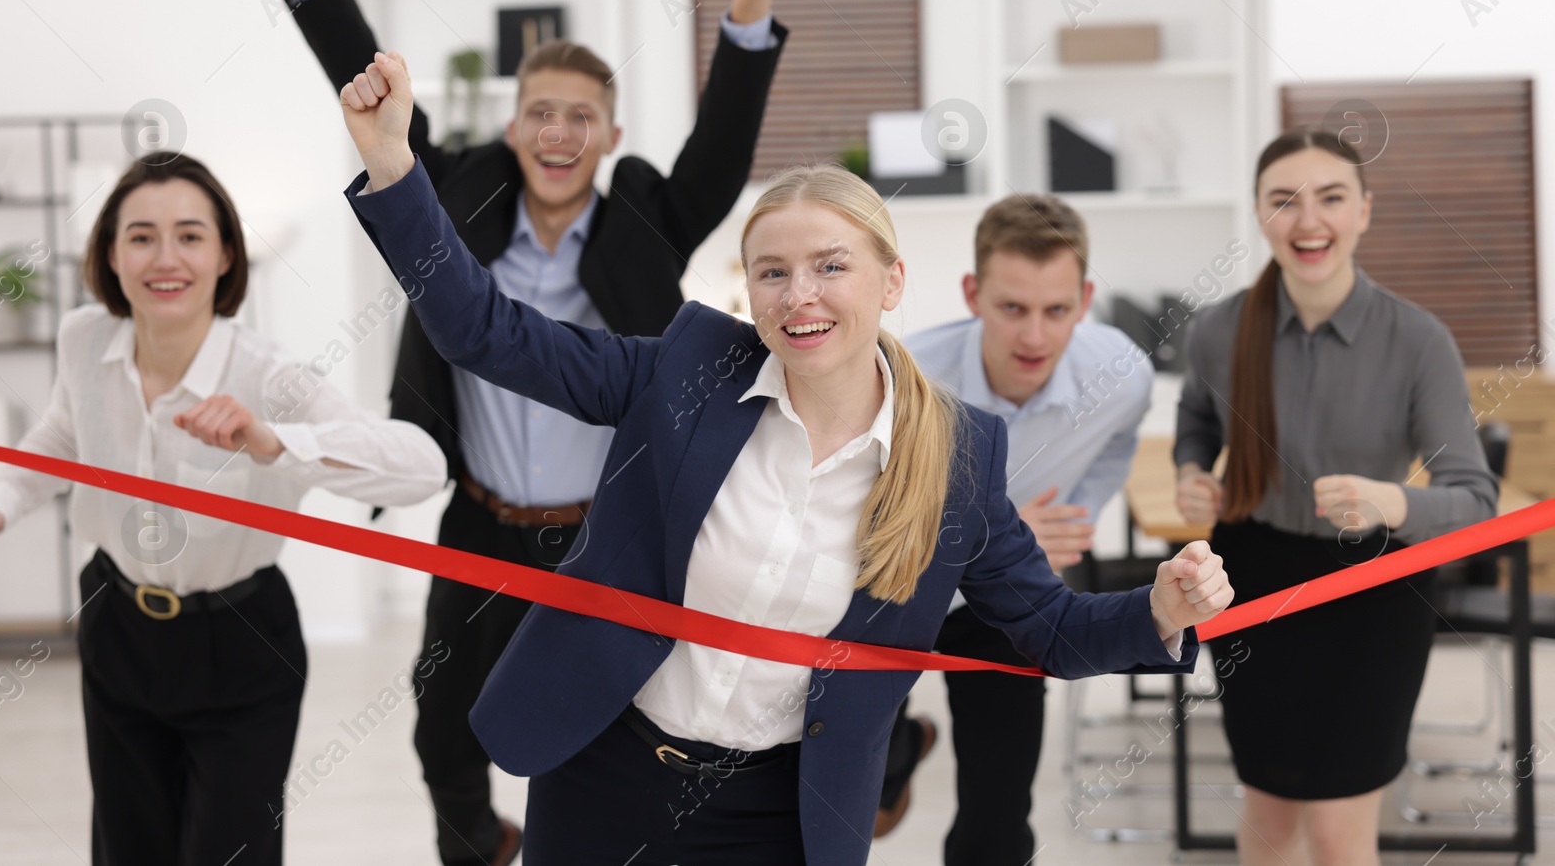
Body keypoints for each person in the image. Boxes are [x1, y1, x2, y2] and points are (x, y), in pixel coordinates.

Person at [334, 48, 1232, 866]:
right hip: (601, 773)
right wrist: (393, 164)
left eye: (830, 266)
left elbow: (1052, 631)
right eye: (772, 271)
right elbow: (487, 334)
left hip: (774, 810)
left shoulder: (955, 458)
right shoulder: (684, 371)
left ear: (891, 281)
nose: (799, 296)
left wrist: (1158, 606)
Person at [247, 0, 790, 864]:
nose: (558, 132)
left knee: (611, 735)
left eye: (582, 115)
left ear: (611, 137)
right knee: (441, 728)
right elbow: (371, 89)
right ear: (512, 128)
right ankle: (475, 845)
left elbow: (716, 157)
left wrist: (747, 10)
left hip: (606, 532)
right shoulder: (460, 196)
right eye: (540, 111)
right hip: (483, 520)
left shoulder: (642, 217)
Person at [0, 154, 447, 866]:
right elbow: (63, 432)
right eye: (141, 236)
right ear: (111, 255)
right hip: (116, 626)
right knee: (129, 850)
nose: (166, 257)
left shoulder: (268, 377)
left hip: (242, 643)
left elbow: (421, 466)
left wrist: (277, 441)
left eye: (190, 235)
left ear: (224, 255)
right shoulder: (82, 339)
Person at [1174, 130, 1498, 866]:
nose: (1307, 219)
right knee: (1270, 809)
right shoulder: (1219, 329)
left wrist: (1394, 502)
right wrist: (1193, 465)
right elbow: (1196, 415)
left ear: (1364, 212)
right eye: (1283, 200)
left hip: (1375, 590)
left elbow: (1476, 501)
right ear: (1259, 214)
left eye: (1331, 197)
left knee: (1337, 833)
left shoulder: (1420, 341)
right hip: (1251, 579)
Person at [877, 194, 1155, 858]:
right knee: (860, 790)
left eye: (1056, 310)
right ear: (973, 293)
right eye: (1013, 308)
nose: (1034, 335)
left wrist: (1076, 515)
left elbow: (1119, 441)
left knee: (999, 815)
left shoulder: (1121, 376)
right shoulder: (900, 377)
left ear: (1085, 300)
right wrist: (986, 532)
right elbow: (861, 513)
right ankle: (902, 744)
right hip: (899, 584)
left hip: (1004, 602)